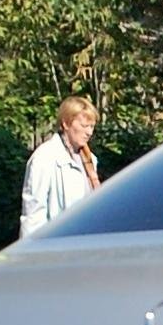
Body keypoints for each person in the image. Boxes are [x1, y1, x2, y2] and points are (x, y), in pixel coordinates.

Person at [21, 96, 101, 237]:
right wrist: (31, 254)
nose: (89, 132)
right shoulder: (45, 157)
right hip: (57, 245)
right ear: (66, 124)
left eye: (92, 126)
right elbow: (33, 213)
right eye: (84, 126)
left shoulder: (90, 160)